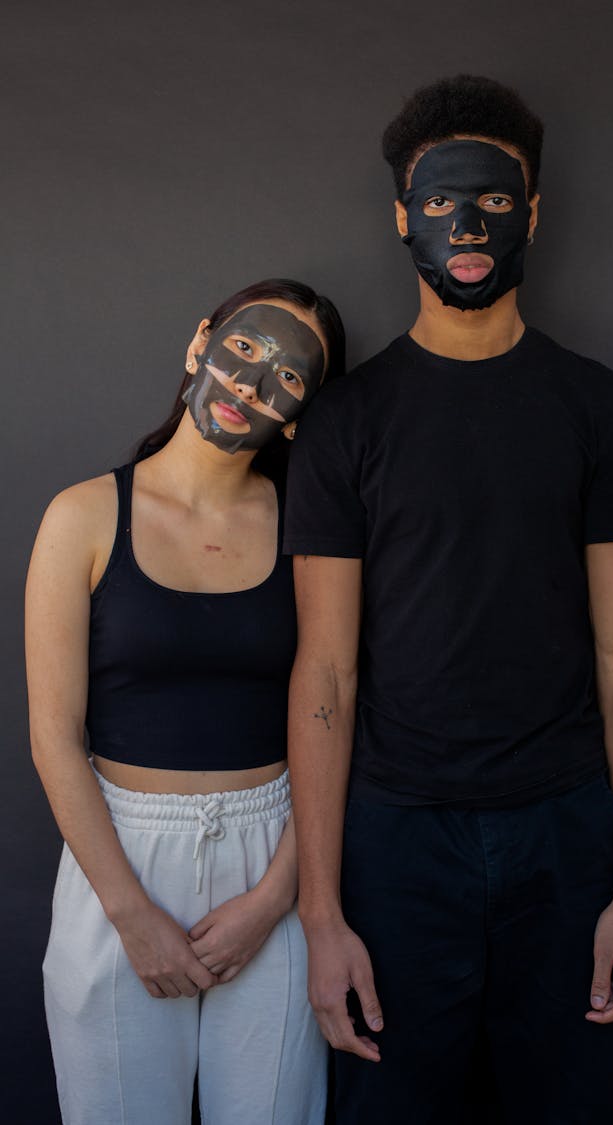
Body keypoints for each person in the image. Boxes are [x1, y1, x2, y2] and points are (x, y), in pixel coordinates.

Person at [284, 75, 613, 1124]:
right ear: (404, 215)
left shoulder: (597, 405)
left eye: (496, 201)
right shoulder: (346, 422)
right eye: (441, 199)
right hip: (399, 838)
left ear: (532, 213)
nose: (467, 222)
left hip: (565, 829)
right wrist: (322, 913)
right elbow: (325, 666)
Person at [26, 278, 345, 1125]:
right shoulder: (84, 516)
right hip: (119, 859)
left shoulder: (312, 527)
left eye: (288, 376)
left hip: (276, 854)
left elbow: (334, 707)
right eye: (244, 349)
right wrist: (129, 913)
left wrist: (280, 896)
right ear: (201, 342)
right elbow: (54, 739)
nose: (252, 384)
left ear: (300, 411)